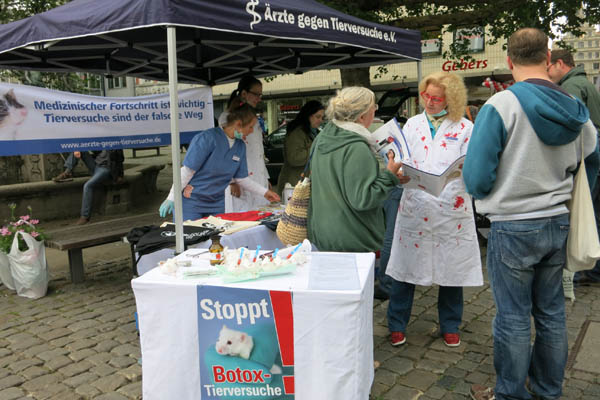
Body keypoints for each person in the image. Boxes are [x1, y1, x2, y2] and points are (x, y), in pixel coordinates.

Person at [463, 28, 599, 400]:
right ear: (548, 57)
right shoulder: (575, 108)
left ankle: (509, 394)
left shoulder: (500, 106)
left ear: (509, 62)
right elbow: (591, 159)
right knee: (552, 313)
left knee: (512, 316)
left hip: (512, 225)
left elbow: (475, 177)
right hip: (557, 221)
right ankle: (548, 391)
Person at [385, 72, 483, 349]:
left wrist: (465, 170)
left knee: (451, 268)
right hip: (415, 202)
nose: (429, 101)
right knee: (405, 267)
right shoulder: (413, 124)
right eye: (426, 95)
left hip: (450, 205)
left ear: (450, 99)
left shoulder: (465, 127)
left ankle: (450, 324)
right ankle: (396, 323)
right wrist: (398, 171)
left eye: (436, 98)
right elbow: (398, 157)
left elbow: (472, 163)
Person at [307, 86, 408, 253]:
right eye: (374, 108)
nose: (375, 112)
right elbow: (363, 199)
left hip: (323, 234)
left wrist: (389, 176)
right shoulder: (356, 147)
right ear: (362, 116)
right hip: (353, 238)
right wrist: (389, 176)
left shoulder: (321, 138)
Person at [159, 101, 279, 221]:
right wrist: (171, 198)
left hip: (216, 203)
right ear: (238, 124)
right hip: (191, 201)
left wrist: (265, 192)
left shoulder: (240, 146)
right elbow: (187, 171)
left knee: (214, 238)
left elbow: (241, 179)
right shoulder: (206, 139)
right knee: (191, 236)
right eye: (250, 127)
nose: (252, 131)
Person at [549, 48, 600, 286]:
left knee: (579, 211)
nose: (548, 73)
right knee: (594, 214)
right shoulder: (585, 83)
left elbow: (571, 129)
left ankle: (577, 270)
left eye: (549, 67)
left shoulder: (571, 88)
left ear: (560, 63)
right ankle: (595, 269)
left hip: (587, 159)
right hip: (595, 156)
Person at [219, 76, 271, 212]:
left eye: (261, 95)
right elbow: (224, 152)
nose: (259, 98)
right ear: (243, 94)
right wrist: (231, 181)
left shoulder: (253, 118)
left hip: (257, 178)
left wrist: (266, 178)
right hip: (240, 180)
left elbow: (259, 152)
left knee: (261, 215)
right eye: (256, 94)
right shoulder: (227, 118)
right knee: (244, 219)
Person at [53, 149, 124, 225]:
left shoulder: (115, 142)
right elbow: (92, 150)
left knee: (87, 186)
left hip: (105, 169)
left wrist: (120, 175)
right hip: (96, 165)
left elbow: (120, 159)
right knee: (79, 149)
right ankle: (66, 173)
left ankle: (85, 217)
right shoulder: (99, 141)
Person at [275, 100, 324, 195]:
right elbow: (294, 158)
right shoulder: (296, 133)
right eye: (318, 117)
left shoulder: (314, 132)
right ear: (308, 115)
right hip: (294, 184)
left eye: (322, 117)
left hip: (305, 183)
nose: (321, 120)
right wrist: (316, 148)